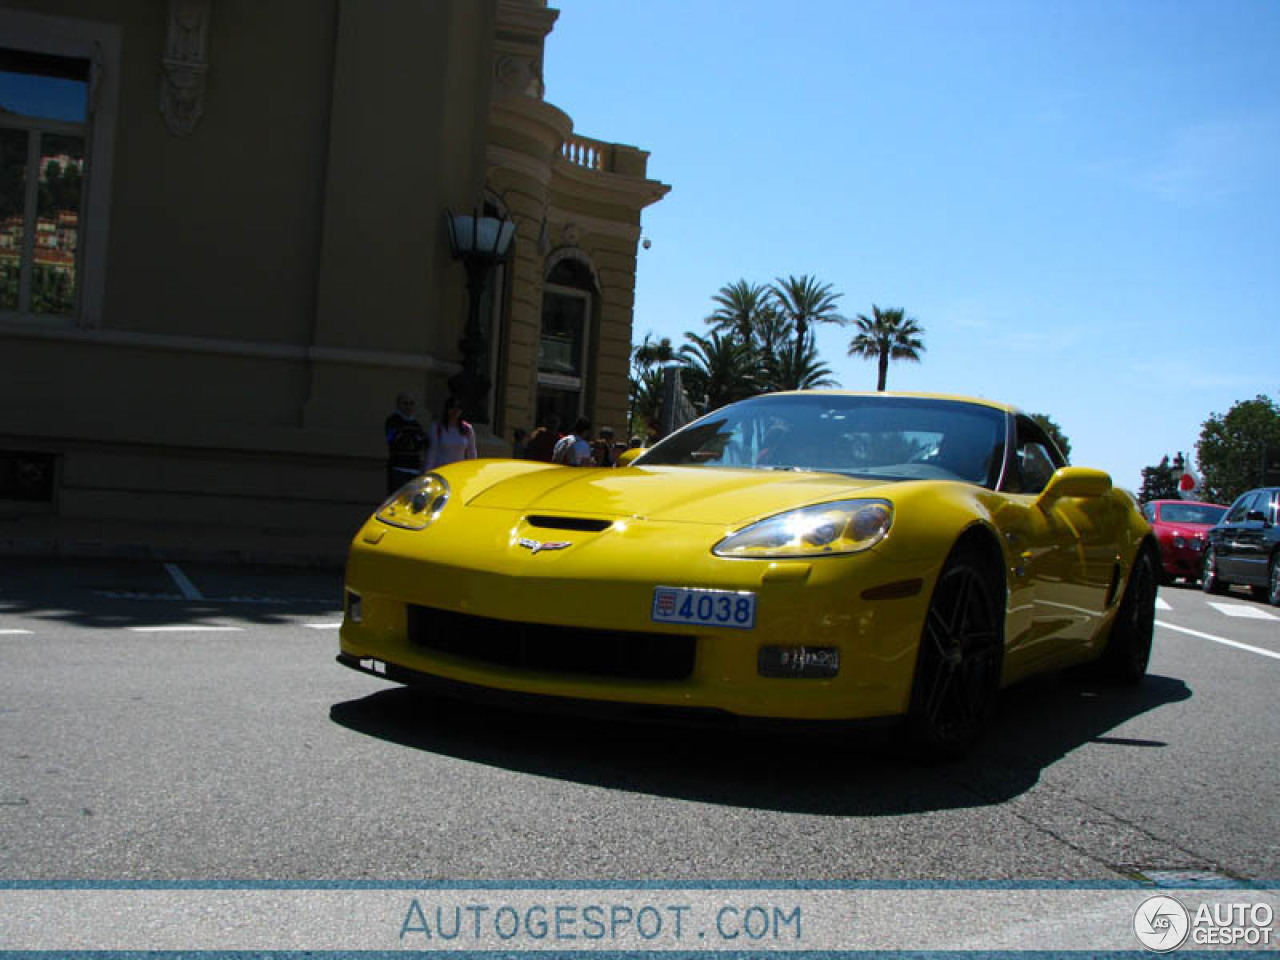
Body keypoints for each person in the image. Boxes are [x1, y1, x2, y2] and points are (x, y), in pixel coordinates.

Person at [384, 391, 429, 494]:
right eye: (405, 403)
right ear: (398, 404)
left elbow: (423, 442)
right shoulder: (392, 421)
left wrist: (410, 440)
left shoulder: (416, 424)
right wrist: (412, 440)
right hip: (398, 469)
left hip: (414, 468)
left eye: (411, 403)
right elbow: (393, 440)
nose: (409, 406)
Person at [426, 395, 477, 469]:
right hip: (441, 470)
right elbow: (432, 452)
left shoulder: (467, 429)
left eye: (458, 407)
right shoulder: (437, 427)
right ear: (447, 409)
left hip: (458, 471)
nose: (455, 410)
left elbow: (472, 454)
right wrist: (427, 472)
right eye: (452, 406)